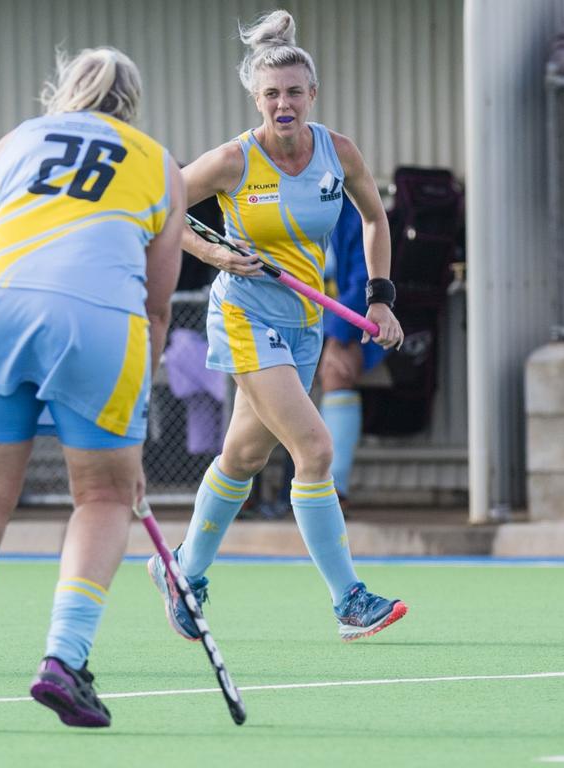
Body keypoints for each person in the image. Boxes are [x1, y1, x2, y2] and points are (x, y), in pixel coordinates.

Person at [0, 46, 184, 731]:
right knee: (102, 495)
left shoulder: (19, 139)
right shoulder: (157, 162)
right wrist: (130, 422)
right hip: (97, 314)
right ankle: (64, 661)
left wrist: (13, 302)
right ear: (132, 101)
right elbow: (158, 302)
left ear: (63, 90)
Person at [148, 9, 408, 644]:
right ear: (256, 99)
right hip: (243, 313)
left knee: (242, 455)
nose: (283, 104)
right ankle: (349, 598)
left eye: (294, 92)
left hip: (304, 320)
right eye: (271, 94)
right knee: (314, 450)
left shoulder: (337, 152)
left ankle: (181, 572)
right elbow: (163, 212)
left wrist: (380, 299)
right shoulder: (234, 161)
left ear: (311, 94)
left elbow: (375, 220)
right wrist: (214, 254)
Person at [319, 194, 390, 504]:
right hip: (287, 322)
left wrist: (337, 338)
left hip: (345, 323)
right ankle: (249, 490)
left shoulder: (353, 214)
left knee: (337, 370)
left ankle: (333, 489)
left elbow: (363, 282)